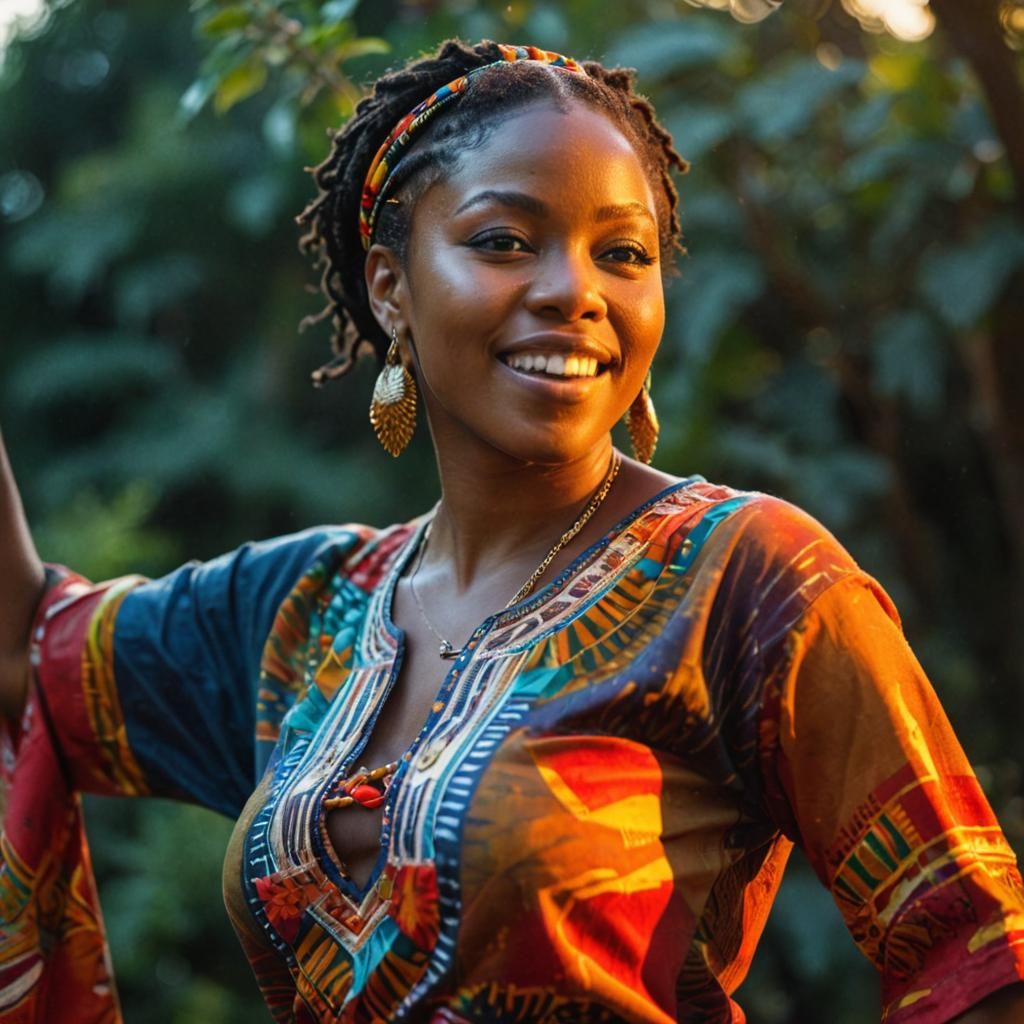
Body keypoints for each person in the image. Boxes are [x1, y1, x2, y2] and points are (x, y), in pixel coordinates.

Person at [1, 37, 1022, 1024]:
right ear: (389, 286)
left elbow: (977, 956)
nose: (573, 292)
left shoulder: (749, 582)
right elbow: (26, 652)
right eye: (503, 241)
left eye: (622, 253)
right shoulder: (299, 611)